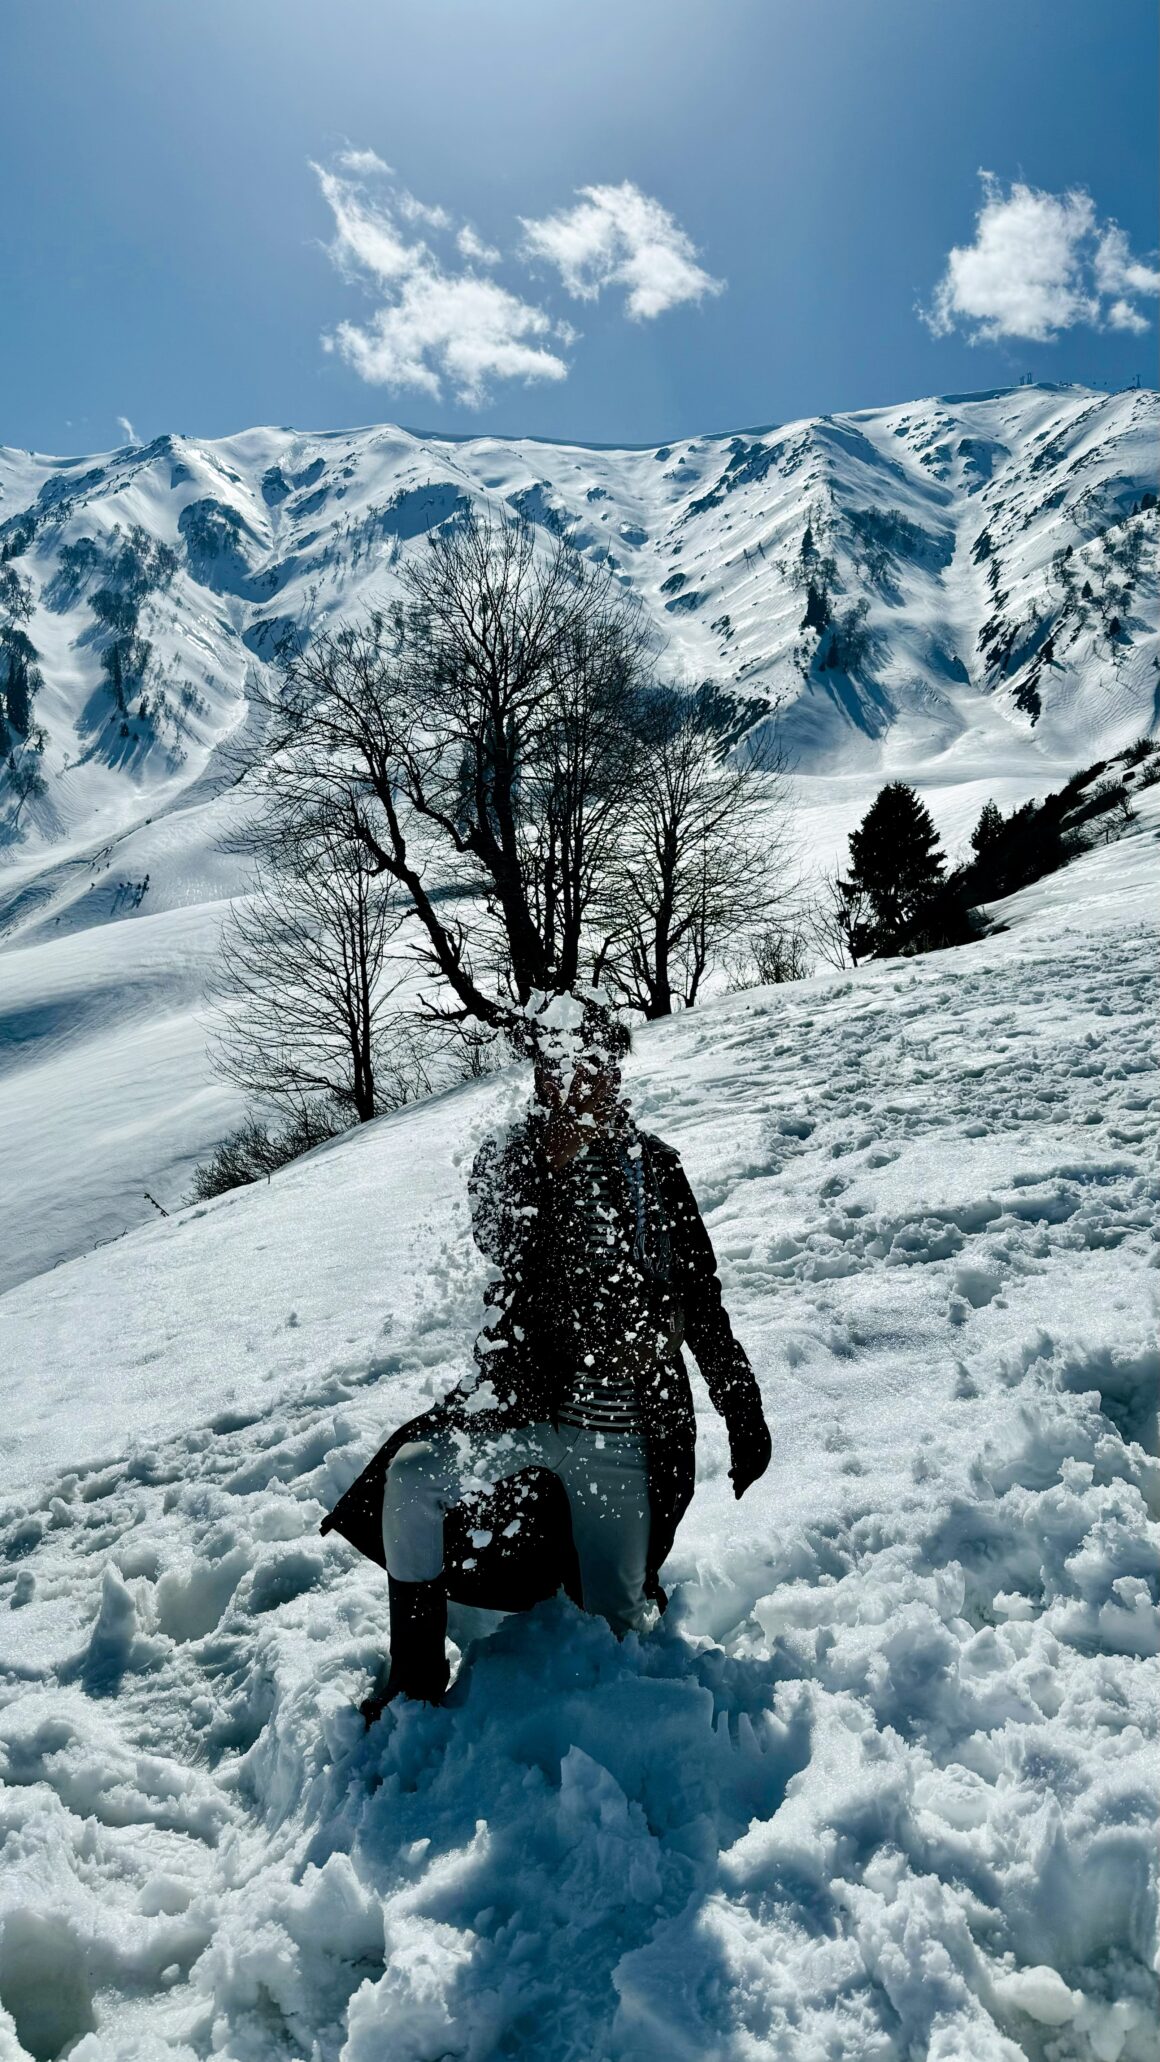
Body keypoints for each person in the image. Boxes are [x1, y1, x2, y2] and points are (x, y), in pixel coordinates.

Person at [360, 995, 772, 1716]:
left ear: (614, 1071)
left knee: (612, 1629)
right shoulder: (510, 1160)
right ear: (540, 1076)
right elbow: (496, 1247)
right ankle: (415, 1677)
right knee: (411, 1479)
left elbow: (700, 1299)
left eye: (589, 1067)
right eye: (556, 1069)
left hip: (623, 1429)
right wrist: (552, 1176)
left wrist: (741, 1408)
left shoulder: (656, 1171)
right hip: (523, 1408)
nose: (574, 1085)